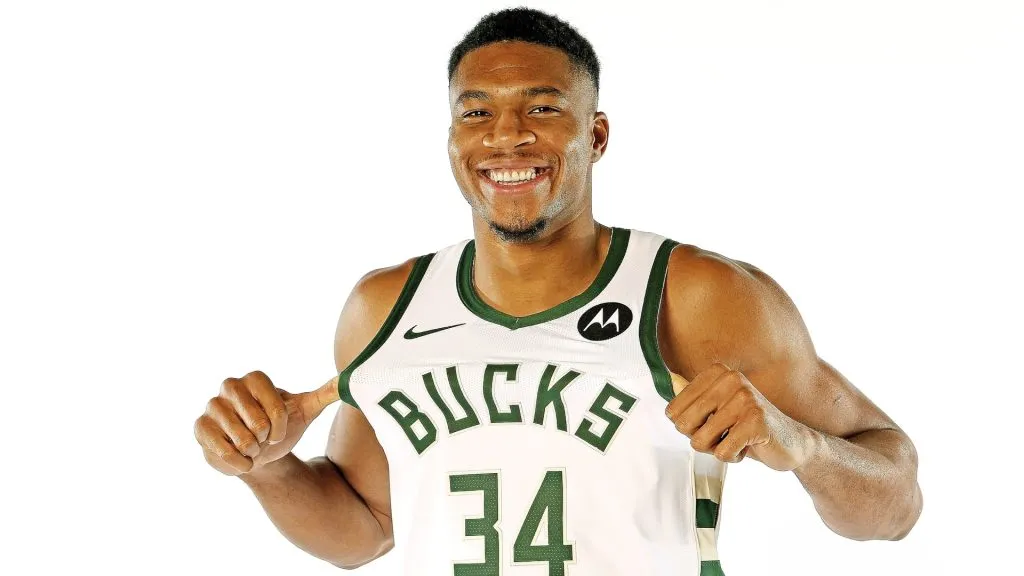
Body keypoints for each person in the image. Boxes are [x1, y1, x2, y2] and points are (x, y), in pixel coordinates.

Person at [193, 7, 922, 575]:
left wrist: (799, 443)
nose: (505, 137)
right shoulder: (386, 306)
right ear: (452, 138)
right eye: (476, 112)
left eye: (542, 109)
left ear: (596, 136)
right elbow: (365, 531)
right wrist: (268, 468)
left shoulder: (695, 296)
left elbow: (897, 503)